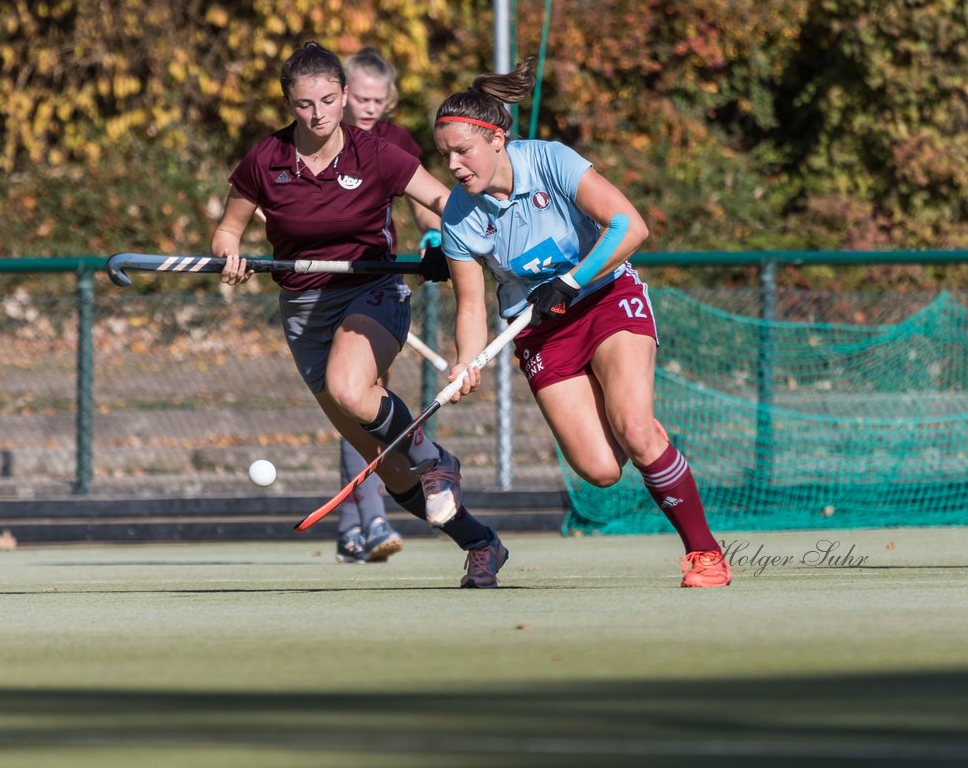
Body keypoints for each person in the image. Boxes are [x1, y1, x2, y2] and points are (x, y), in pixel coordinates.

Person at [214, 41, 508, 588]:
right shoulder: (266, 160)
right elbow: (229, 228)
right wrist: (228, 255)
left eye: (329, 99)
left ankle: (437, 456)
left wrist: (455, 244)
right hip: (303, 310)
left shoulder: (375, 154)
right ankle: (479, 541)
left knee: (350, 389)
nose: (319, 113)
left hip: (371, 291)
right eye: (305, 104)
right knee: (387, 464)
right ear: (289, 104)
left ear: (345, 96)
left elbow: (447, 202)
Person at [433, 56, 731, 588]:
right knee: (600, 470)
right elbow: (472, 306)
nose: (454, 166)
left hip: (605, 299)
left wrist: (570, 282)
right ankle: (652, 446)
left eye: (463, 151)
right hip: (539, 328)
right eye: (446, 155)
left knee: (635, 430)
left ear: (496, 138)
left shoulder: (552, 161)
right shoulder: (459, 214)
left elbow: (631, 226)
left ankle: (705, 553)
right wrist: (465, 361)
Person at [327, 47, 444, 565]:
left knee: (361, 396)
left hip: (375, 281)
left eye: (381, 99)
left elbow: (425, 203)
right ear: (343, 94)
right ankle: (357, 523)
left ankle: (366, 522)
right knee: (349, 400)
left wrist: (435, 239)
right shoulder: (313, 140)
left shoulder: (395, 143)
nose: (371, 108)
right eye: (362, 98)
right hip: (319, 284)